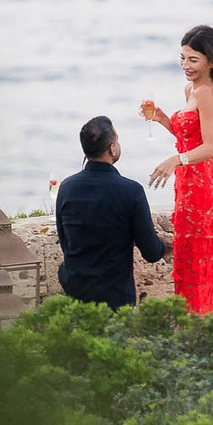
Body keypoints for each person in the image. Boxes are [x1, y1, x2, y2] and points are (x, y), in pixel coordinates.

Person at [140, 24, 213, 315]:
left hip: (201, 188)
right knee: (187, 262)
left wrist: (174, 160)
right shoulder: (189, 89)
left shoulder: (207, 92)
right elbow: (187, 139)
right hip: (186, 185)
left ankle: (197, 328)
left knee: (195, 265)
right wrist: (162, 118)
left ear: (212, 61)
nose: (185, 65)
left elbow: (210, 147)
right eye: (182, 58)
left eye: (193, 60)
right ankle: (192, 325)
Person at [53, 115, 168, 307]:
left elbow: (65, 242)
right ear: (112, 149)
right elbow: (151, 252)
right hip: (114, 294)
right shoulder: (131, 191)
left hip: (76, 288)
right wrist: (165, 247)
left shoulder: (67, 187)